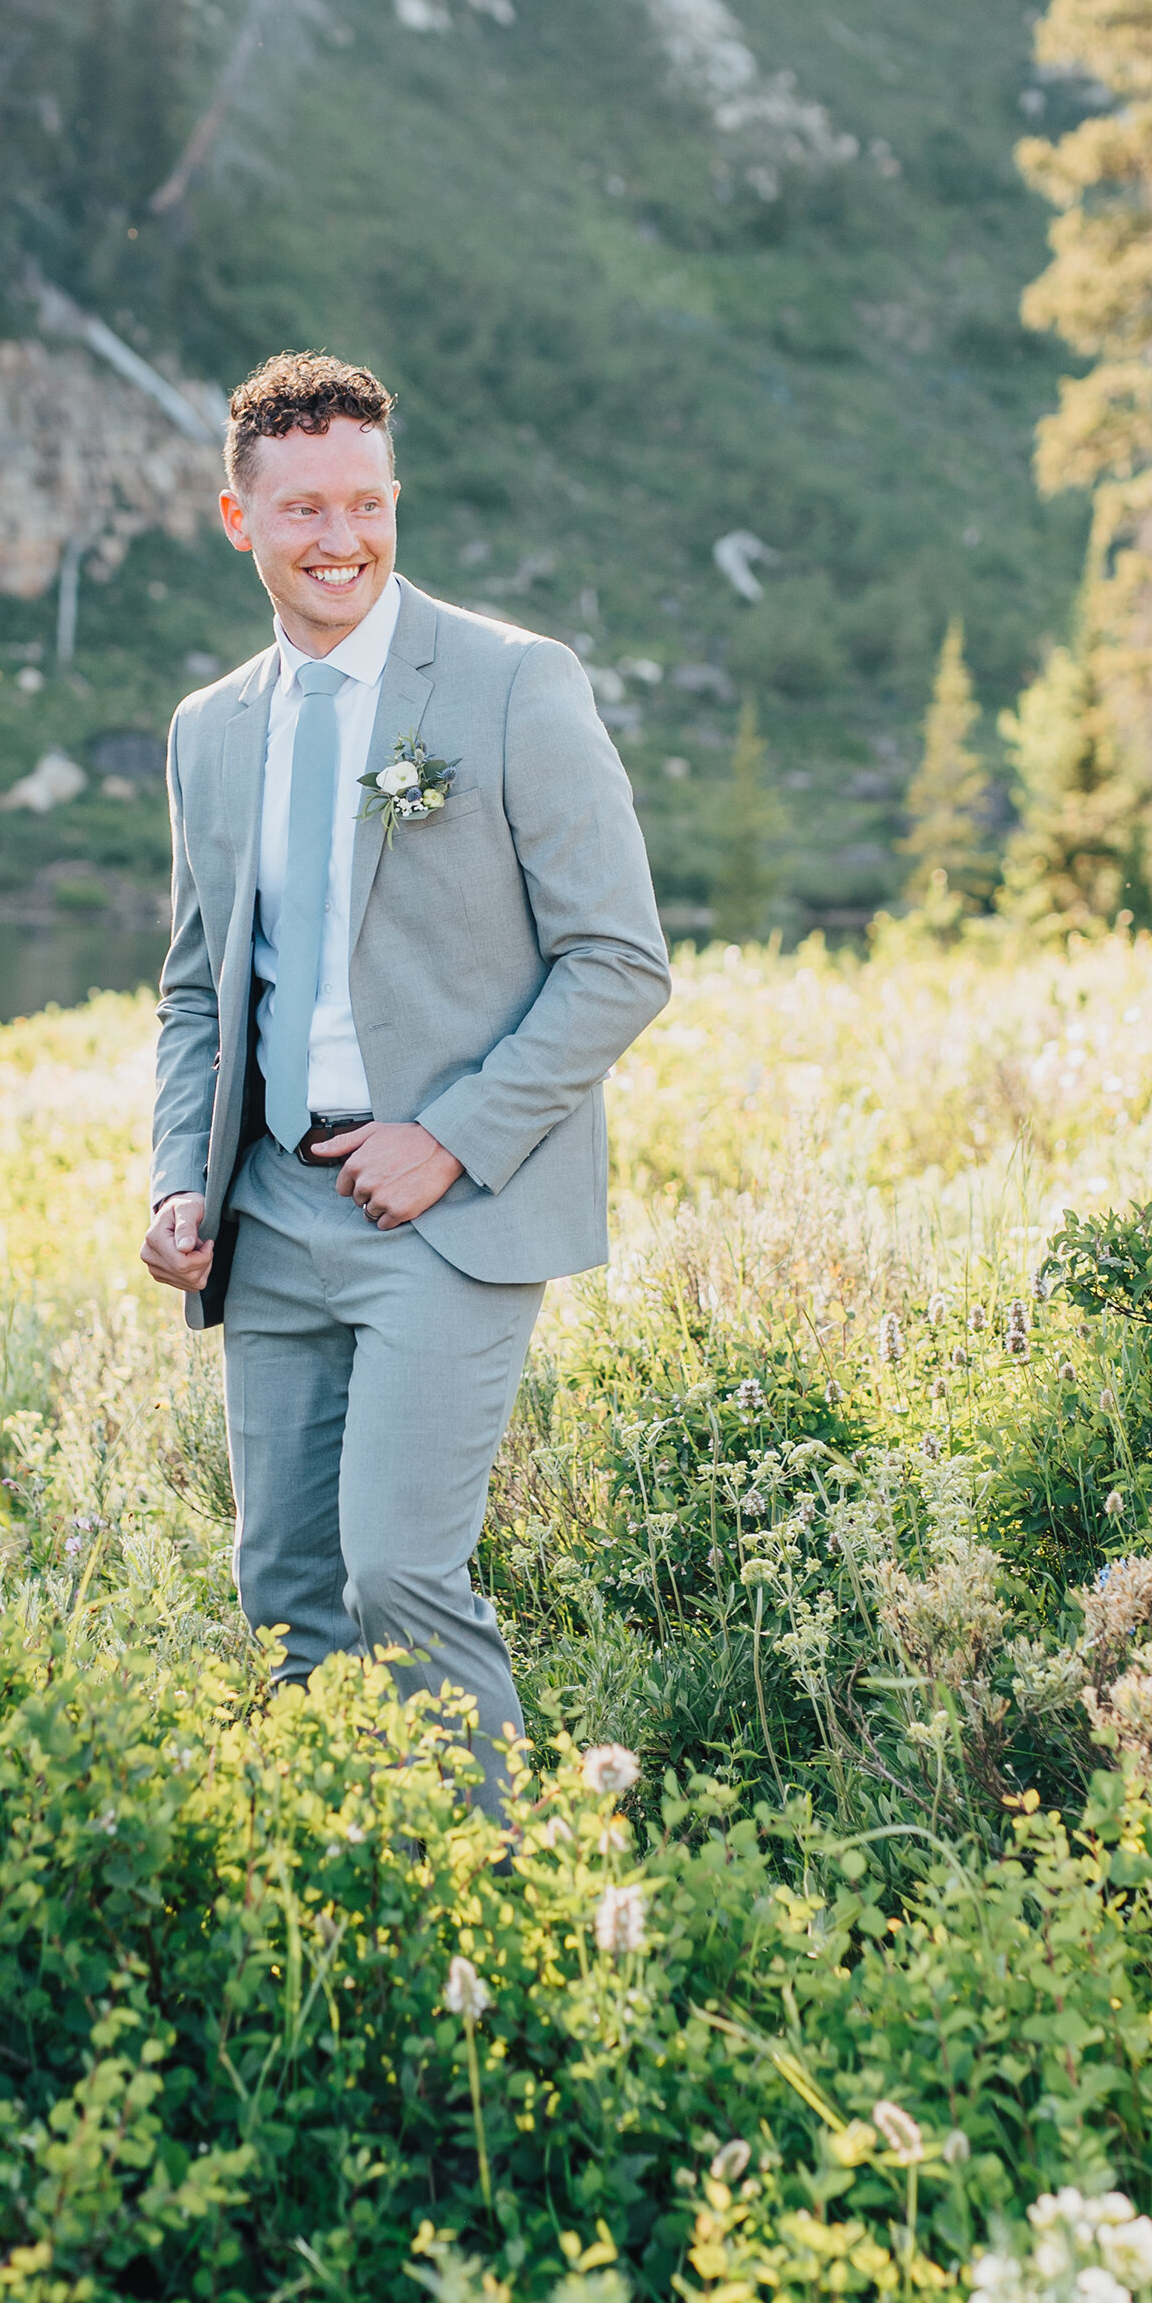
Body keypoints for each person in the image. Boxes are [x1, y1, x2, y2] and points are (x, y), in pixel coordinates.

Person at [141, 349, 670, 1802]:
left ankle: (496, 1926)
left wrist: (446, 1136)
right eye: (304, 509)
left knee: (399, 1578)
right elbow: (200, 989)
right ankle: (337, 1912)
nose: (342, 540)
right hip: (268, 1217)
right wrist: (182, 1179)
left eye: (367, 503)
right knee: (285, 1601)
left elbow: (622, 959)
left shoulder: (511, 685)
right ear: (239, 520)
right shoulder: (212, 729)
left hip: (443, 1211)